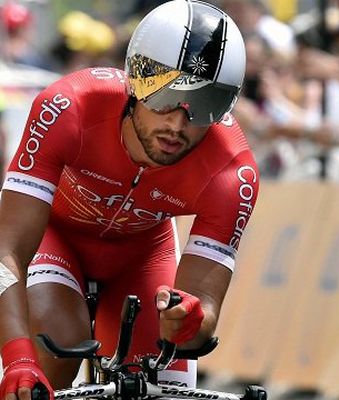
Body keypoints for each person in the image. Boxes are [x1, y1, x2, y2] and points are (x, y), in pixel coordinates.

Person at [0, 1, 259, 399]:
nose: (177, 123)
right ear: (136, 81)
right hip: (55, 234)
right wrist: (18, 358)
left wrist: (187, 321)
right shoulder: (69, 106)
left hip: (143, 253)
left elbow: (202, 310)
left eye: (203, 106)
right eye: (165, 96)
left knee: (161, 381)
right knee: (57, 343)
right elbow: (7, 249)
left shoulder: (233, 171)